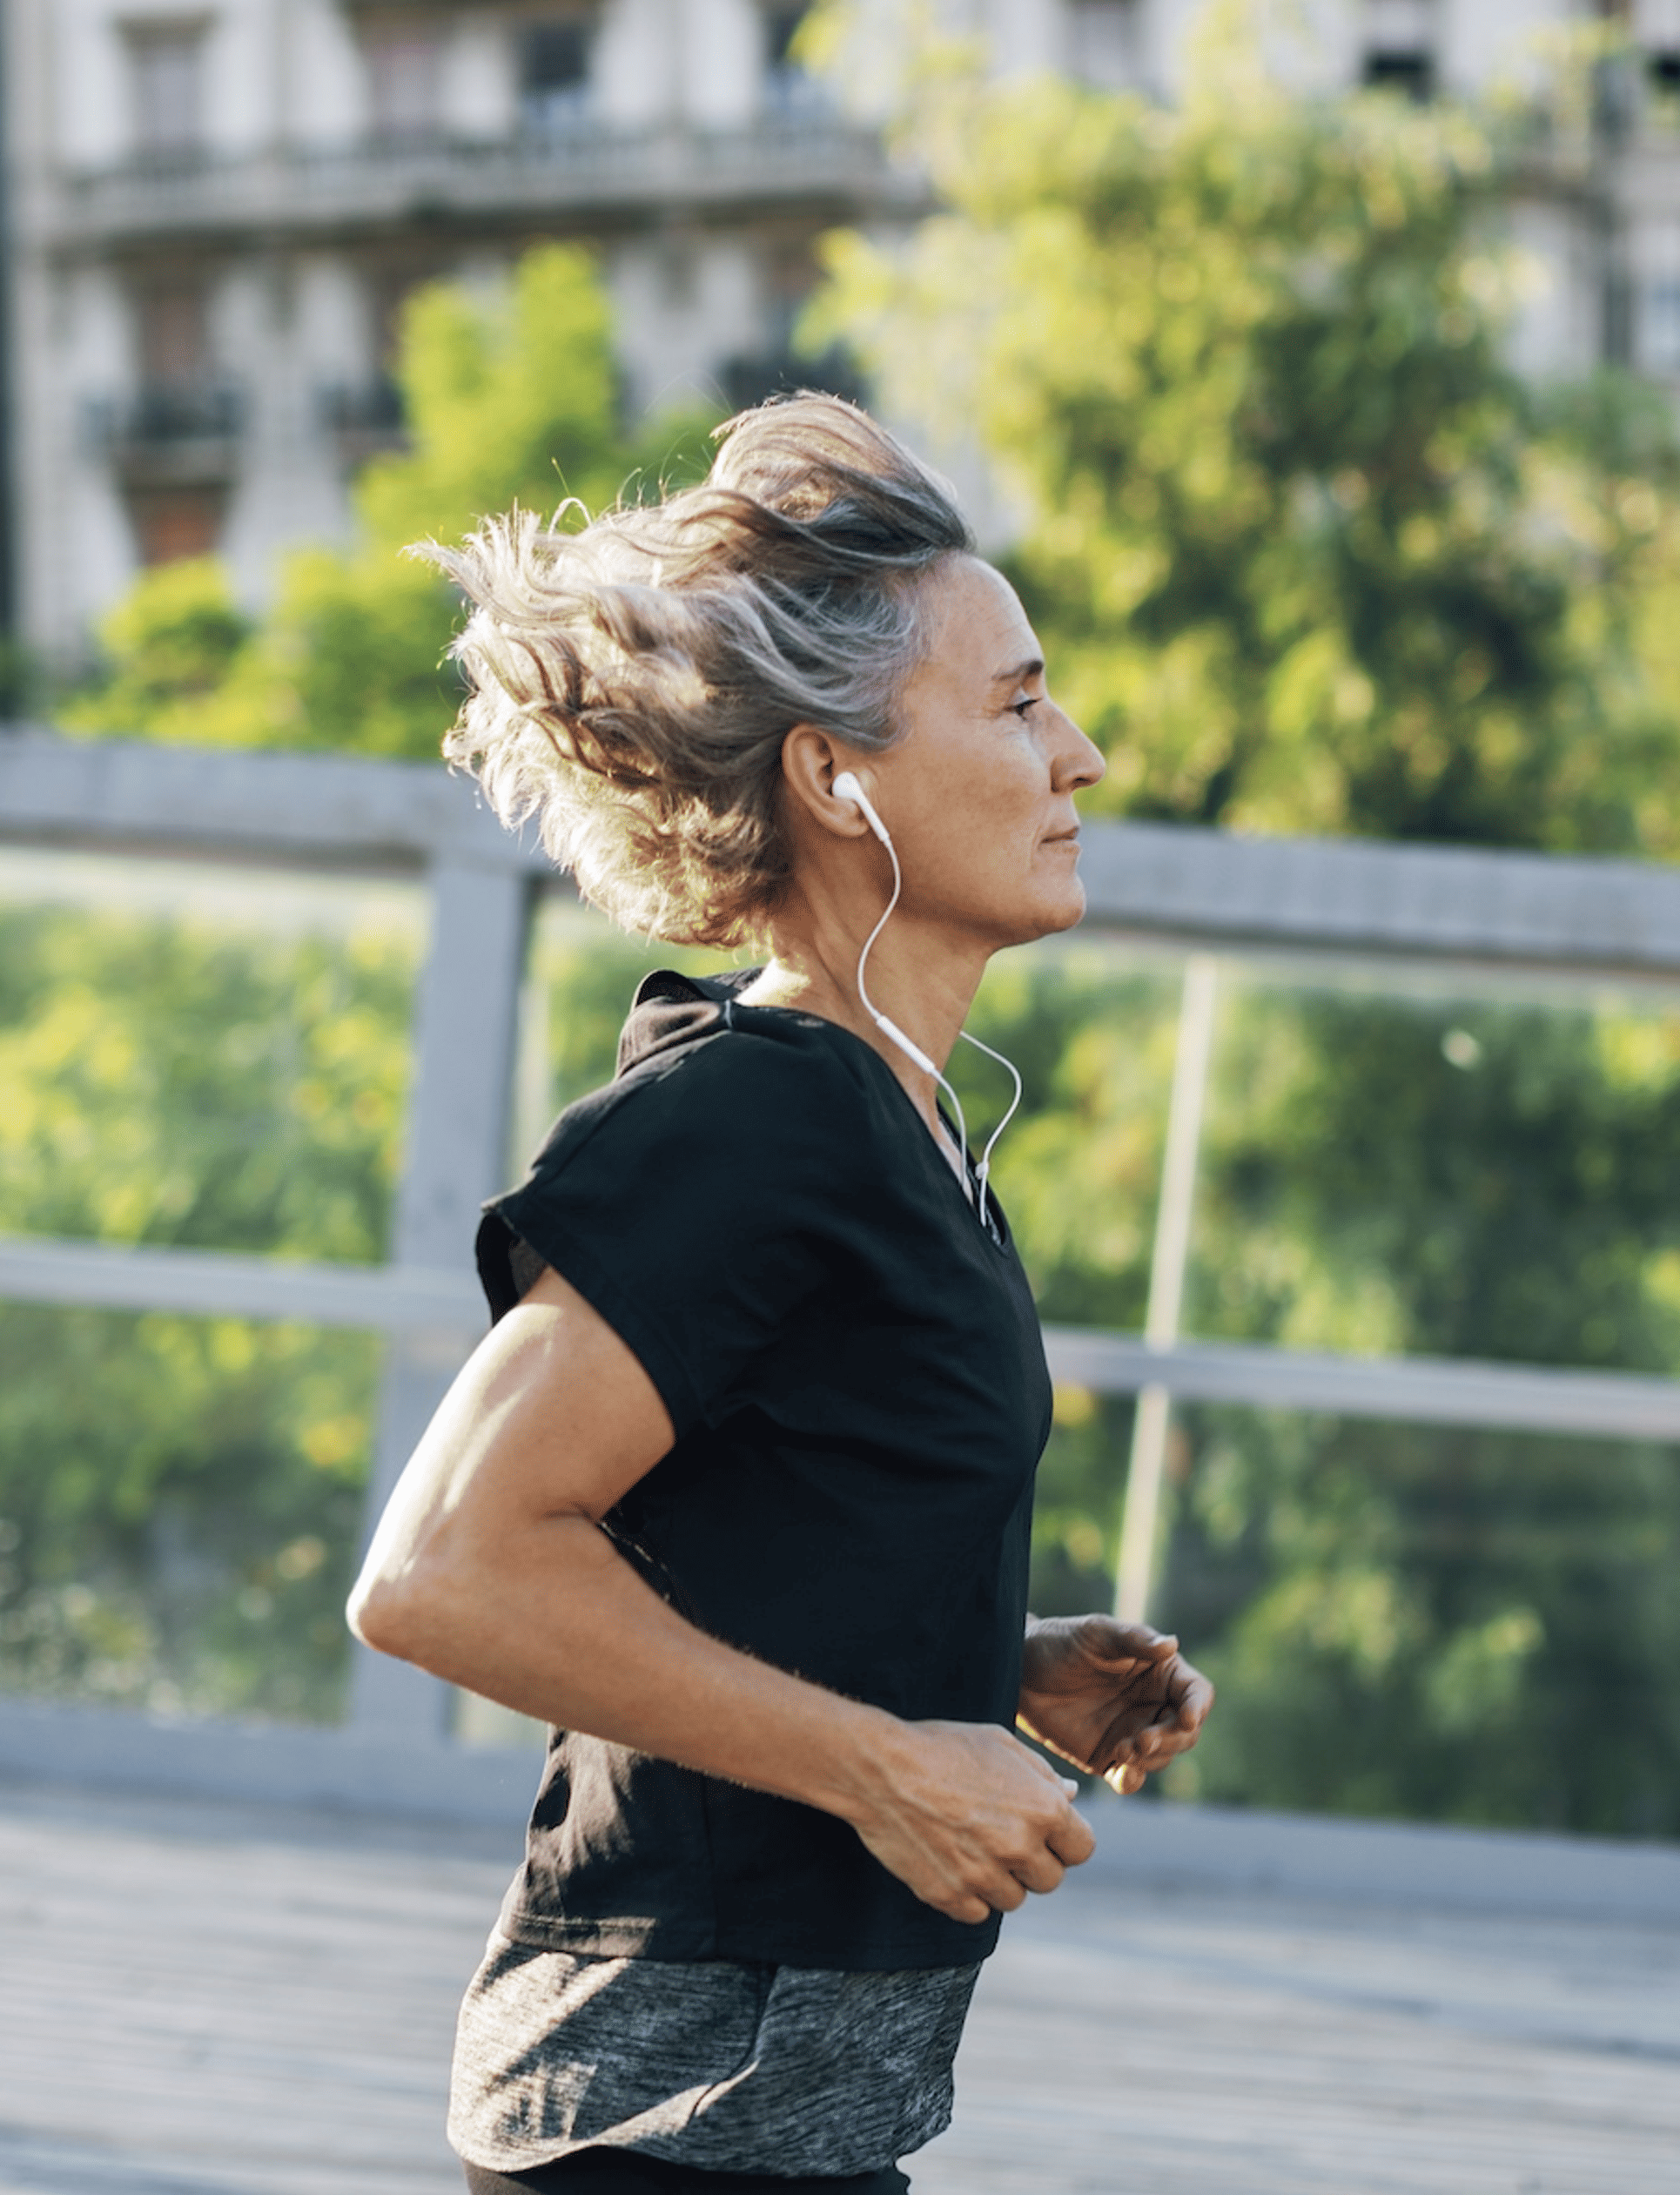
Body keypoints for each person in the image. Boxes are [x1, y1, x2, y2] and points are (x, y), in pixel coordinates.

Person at [348, 394, 1214, 2194]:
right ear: (836, 777)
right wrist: (888, 1759)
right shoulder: (756, 1115)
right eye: (1018, 701)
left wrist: (991, 1666)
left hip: (786, 2123)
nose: (1086, 753)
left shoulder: (894, 1122)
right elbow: (445, 1568)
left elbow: (746, 1531)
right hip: (658, 2115)